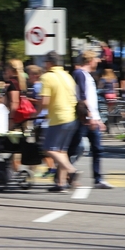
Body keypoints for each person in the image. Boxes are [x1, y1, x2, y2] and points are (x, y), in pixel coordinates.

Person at [35, 51, 80, 193]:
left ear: (49, 63)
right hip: (72, 117)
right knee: (62, 151)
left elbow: (45, 101)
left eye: (44, 62)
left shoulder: (47, 77)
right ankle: (61, 184)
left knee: (48, 148)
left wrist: (36, 114)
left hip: (58, 118)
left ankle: (71, 170)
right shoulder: (68, 76)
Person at [68, 50, 112, 189]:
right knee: (73, 149)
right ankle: (62, 176)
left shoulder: (88, 75)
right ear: (90, 60)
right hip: (84, 119)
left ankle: (98, 179)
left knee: (97, 149)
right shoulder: (80, 74)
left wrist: (98, 119)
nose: (97, 62)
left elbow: (92, 100)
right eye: (96, 60)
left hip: (92, 118)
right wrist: (91, 117)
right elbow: (82, 97)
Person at [26, 65, 56, 178]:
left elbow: (41, 102)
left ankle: (52, 168)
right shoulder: (40, 85)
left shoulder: (37, 86)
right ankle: (51, 167)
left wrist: (27, 99)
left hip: (41, 120)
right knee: (45, 147)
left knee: (42, 147)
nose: (28, 77)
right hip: (44, 119)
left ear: (35, 75)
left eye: (30, 75)